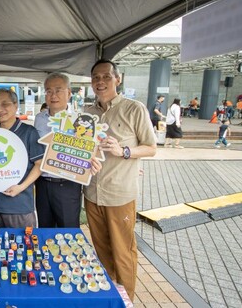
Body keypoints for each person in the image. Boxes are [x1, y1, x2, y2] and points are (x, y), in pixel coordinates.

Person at [83, 59, 156, 302]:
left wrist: (123, 150)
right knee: (101, 250)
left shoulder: (134, 109)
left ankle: (127, 301)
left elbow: (151, 148)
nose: (100, 82)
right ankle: (108, 297)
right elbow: (81, 150)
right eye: (95, 78)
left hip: (120, 195)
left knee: (123, 252)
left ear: (118, 79)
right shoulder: (87, 114)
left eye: (105, 76)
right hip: (92, 194)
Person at [34, 73, 93, 228]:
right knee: (44, 229)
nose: (53, 95)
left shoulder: (81, 121)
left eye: (58, 90)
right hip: (42, 183)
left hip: (68, 185)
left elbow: (87, 153)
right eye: (48, 91)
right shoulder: (39, 118)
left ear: (69, 93)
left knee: (69, 229)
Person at [0, 88, 44, 228]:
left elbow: (39, 164)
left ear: (16, 105)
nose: (0, 109)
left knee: (22, 246)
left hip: (19, 206)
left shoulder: (29, 132)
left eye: (5, 104)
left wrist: (21, 187)